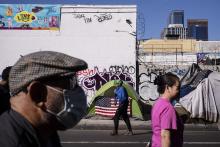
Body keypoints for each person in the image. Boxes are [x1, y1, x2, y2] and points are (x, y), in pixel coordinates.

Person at [0, 51, 88, 147]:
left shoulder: (45, 129)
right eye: (71, 84)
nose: (78, 91)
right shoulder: (11, 142)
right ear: (37, 94)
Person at [151, 72, 184, 147]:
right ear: (168, 88)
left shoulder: (157, 103)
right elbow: (165, 135)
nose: (179, 91)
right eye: (177, 87)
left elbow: (157, 130)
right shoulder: (168, 108)